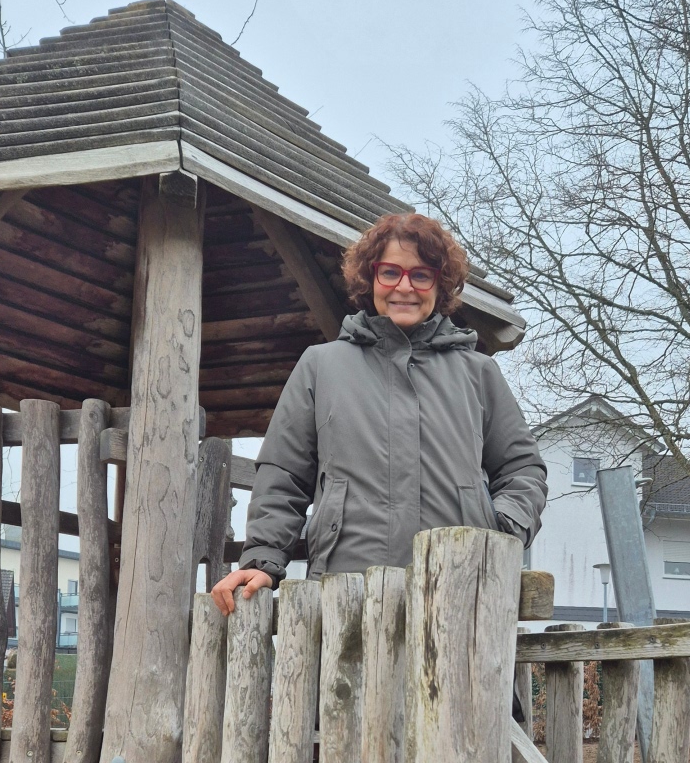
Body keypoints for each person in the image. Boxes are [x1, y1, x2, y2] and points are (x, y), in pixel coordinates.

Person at [210, 212, 547, 612]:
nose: (404, 287)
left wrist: (499, 530)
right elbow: (284, 474)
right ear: (370, 279)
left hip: (460, 590)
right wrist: (263, 559)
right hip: (346, 590)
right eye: (390, 272)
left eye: (421, 275)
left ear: (439, 286)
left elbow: (522, 469)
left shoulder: (479, 373)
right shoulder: (321, 366)